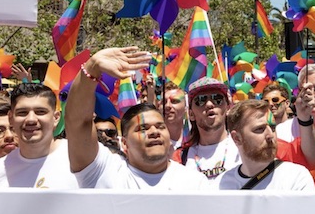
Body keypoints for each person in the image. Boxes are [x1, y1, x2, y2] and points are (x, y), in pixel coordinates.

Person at [68, 47, 210, 190]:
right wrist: (92, 68)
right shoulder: (104, 173)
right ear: (124, 143)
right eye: (143, 128)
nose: (155, 132)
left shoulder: (194, 183)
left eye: (161, 126)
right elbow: (78, 123)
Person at [0, 82, 81, 189]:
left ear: (56, 118)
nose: (31, 120)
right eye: (22, 113)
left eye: (40, 112)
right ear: (10, 118)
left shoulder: (82, 158)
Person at [218, 100, 314, 191]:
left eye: (272, 127)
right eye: (260, 129)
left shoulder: (296, 177)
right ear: (237, 138)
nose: (270, 135)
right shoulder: (220, 186)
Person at [179, 78, 238, 180]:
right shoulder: (179, 157)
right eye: (201, 100)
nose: (209, 104)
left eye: (217, 98)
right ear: (191, 114)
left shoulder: (245, 148)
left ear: (228, 107)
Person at [161, 83, 188, 154]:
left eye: (174, 101)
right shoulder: (155, 141)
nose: (167, 106)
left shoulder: (195, 140)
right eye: (164, 102)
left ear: (186, 107)